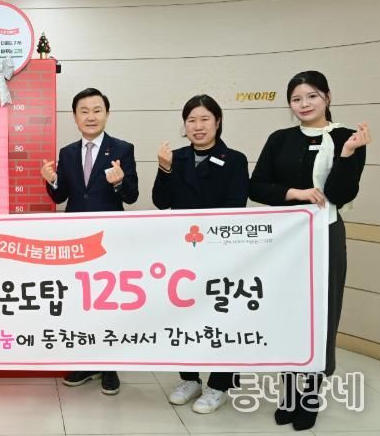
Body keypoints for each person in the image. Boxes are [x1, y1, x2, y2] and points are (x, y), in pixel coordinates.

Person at [250, 70, 370, 431]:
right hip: (286, 237)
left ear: (327, 97)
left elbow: (340, 194)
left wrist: (346, 155)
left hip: (326, 233)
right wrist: (295, 193)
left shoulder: (348, 137)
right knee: (286, 312)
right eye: (297, 98)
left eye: (312, 96)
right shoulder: (280, 139)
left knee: (324, 311)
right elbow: (257, 186)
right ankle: (288, 390)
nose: (304, 104)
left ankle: (312, 392)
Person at [152, 94, 248, 414]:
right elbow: (161, 202)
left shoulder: (234, 159)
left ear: (218, 121)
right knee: (185, 314)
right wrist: (164, 169)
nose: (198, 126)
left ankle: (219, 385)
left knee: (221, 316)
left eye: (205, 119)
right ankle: (189, 378)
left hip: (219, 252)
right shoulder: (175, 157)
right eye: (191, 120)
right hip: (183, 252)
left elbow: (235, 207)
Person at [41, 87, 138, 395]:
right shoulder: (68, 153)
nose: (91, 116)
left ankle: (109, 366)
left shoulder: (122, 148)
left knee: (106, 303)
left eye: (97, 110)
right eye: (84, 111)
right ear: (75, 117)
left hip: (109, 239)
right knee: (80, 302)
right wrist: (51, 180)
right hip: (76, 239)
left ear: (107, 114)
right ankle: (86, 362)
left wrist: (119, 183)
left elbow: (132, 196)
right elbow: (62, 196)